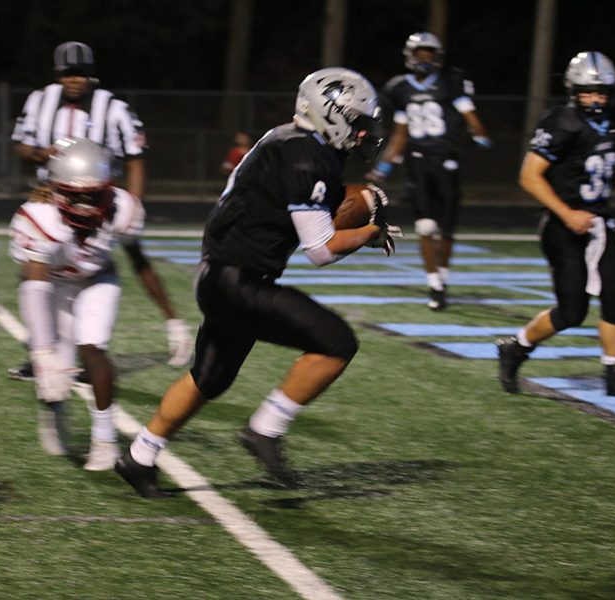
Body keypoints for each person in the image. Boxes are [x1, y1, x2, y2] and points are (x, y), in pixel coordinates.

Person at [115, 67, 402, 498]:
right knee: (337, 342)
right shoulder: (308, 155)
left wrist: (356, 204)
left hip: (218, 275)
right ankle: (265, 428)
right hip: (240, 280)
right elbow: (321, 249)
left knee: (210, 377)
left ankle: (139, 456)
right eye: (358, 124)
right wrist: (369, 232)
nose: (363, 135)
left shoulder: (285, 138)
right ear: (332, 114)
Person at [10, 41, 191, 378]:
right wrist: (41, 154)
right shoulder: (39, 101)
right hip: (51, 200)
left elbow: (136, 158)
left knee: (106, 266)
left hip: (98, 203)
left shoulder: (115, 109)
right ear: (58, 75)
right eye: (68, 73)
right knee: (34, 268)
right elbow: (21, 144)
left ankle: (169, 323)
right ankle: (44, 350)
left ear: (93, 76)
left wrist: (131, 205)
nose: (74, 79)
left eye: (81, 73)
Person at [496, 51, 615, 399]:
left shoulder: (614, 118)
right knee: (572, 311)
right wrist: (567, 214)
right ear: (572, 90)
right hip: (562, 227)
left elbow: (611, 163)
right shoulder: (560, 121)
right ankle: (516, 347)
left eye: (602, 92)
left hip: (599, 222)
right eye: (588, 91)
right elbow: (529, 176)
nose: (597, 98)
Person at [9, 137, 145, 469]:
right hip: (54, 285)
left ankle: (104, 439)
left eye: (92, 195)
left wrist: (172, 318)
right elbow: (34, 286)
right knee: (55, 370)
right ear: (56, 190)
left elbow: (140, 260)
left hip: (97, 279)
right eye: (76, 195)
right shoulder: (39, 218)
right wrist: (41, 352)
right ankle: (53, 409)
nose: (85, 204)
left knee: (93, 347)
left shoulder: (121, 207)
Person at [368, 32, 491, 311]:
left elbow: (471, 118)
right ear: (410, 56)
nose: (425, 59)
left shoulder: (451, 82)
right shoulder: (400, 88)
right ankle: (434, 284)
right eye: (420, 54)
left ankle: (443, 279)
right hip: (419, 162)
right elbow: (401, 133)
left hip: (447, 160)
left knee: (446, 230)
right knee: (425, 226)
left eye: (429, 54)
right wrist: (385, 166)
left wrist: (478, 132)